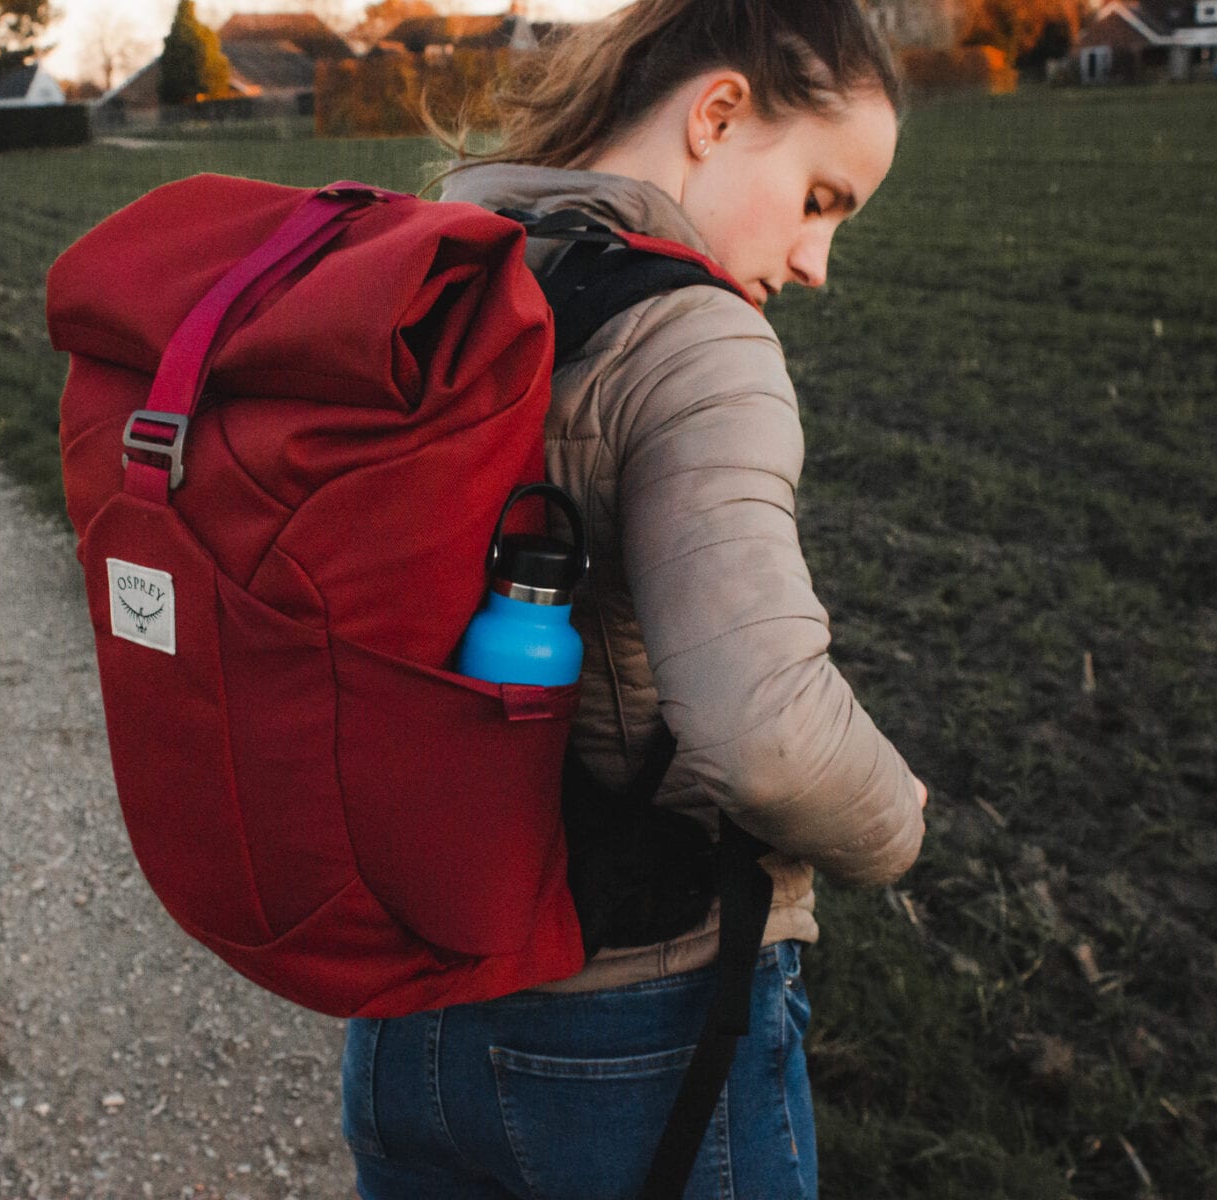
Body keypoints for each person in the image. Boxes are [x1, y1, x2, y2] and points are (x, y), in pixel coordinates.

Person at [339, 1, 930, 1196]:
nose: (817, 264)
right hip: (634, 1032)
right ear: (718, 113)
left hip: (403, 1017)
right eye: (822, 199)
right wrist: (901, 822)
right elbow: (766, 737)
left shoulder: (433, 261)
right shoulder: (693, 338)